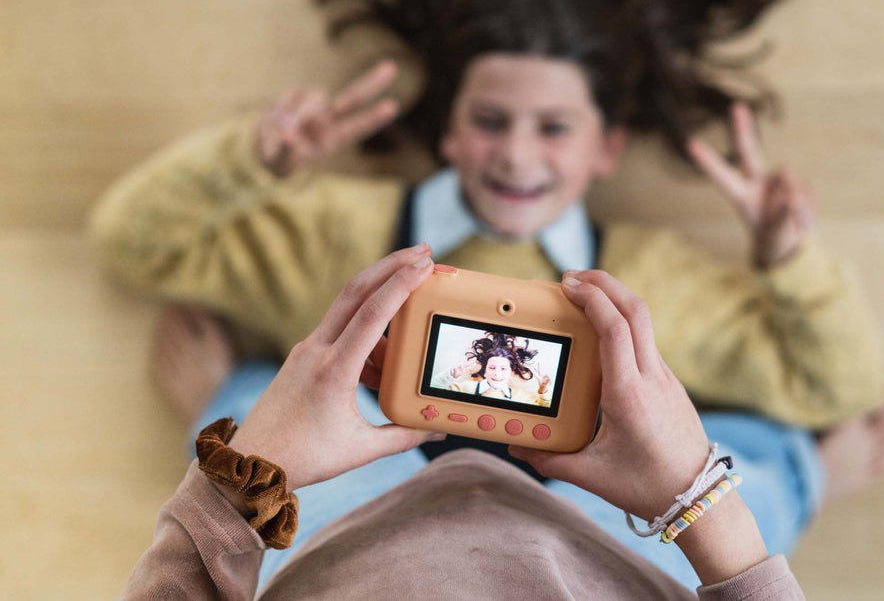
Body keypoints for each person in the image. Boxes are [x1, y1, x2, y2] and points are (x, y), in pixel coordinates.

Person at [94, 0, 884, 587]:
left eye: (553, 127)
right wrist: (254, 164)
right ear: (448, 129)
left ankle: (224, 406)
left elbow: (840, 387)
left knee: (736, 463)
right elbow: (134, 243)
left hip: (552, 506)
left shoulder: (655, 285)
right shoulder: (339, 234)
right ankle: (802, 476)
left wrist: (787, 259)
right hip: (401, 484)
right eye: (489, 120)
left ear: (606, 148)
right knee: (749, 474)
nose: (517, 154)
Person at [121, 247, 807, 599]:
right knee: (767, 479)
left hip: (336, 539)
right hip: (617, 551)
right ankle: (813, 465)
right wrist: (699, 499)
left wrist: (236, 488)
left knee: (257, 416)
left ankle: (220, 402)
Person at [433, 331, 553, 406]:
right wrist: (450, 375)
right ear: (485, 371)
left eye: (503, 369)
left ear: (511, 374)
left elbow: (546, 410)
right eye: (492, 367)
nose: (496, 373)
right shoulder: (465, 388)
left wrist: (544, 390)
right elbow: (432, 393)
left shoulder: (521, 397)